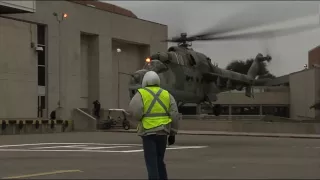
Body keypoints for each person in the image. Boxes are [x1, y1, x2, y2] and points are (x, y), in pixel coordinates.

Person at [128, 71, 179, 180]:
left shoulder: (141, 93)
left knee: (151, 162)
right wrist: (173, 133)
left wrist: (140, 118)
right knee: (160, 161)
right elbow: (174, 114)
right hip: (163, 133)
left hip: (148, 133)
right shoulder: (166, 94)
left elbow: (134, 111)